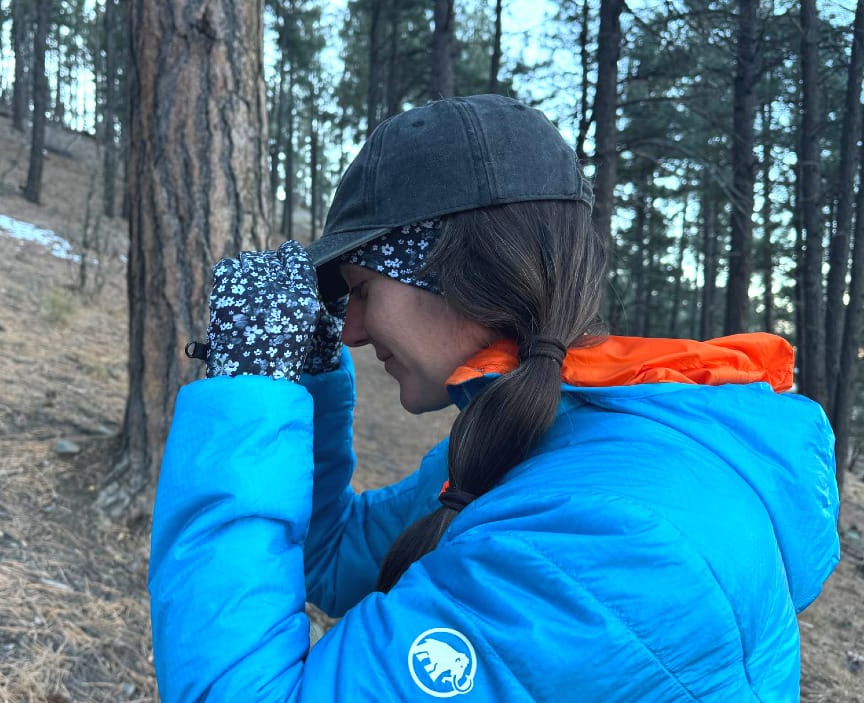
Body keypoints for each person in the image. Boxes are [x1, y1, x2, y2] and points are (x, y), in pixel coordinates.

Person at [148, 94, 840, 702]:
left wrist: (249, 392)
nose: (352, 329)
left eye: (360, 291)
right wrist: (307, 368)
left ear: (467, 271)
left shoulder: (600, 543)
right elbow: (330, 554)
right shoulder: (548, 437)